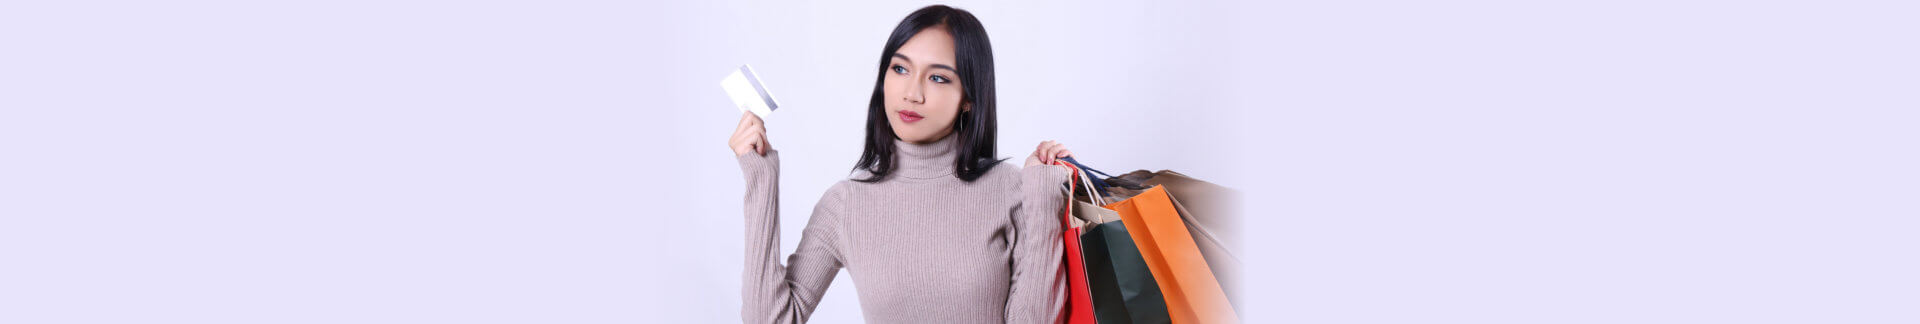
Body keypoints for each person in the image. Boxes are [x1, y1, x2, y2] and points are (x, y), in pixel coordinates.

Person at [726, 5, 1077, 324]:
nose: (912, 92)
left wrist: (1043, 198)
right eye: (900, 69)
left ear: (968, 98)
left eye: (938, 77)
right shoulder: (845, 203)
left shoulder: (1011, 188)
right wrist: (761, 178)